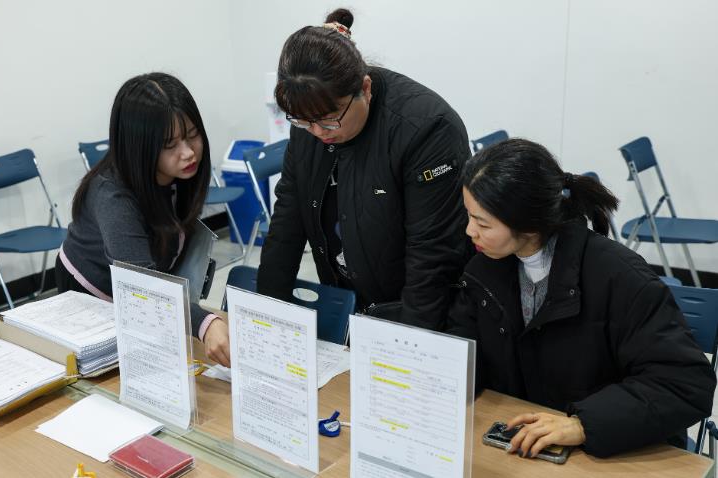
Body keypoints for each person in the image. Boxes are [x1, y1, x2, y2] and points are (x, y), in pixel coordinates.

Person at [202, 8, 471, 359]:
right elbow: (287, 224)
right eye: (303, 122)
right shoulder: (312, 119)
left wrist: (406, 355)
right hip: (348, 301)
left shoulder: (426, 129)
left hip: (418, 314)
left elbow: (431, 260)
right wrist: (265, 322)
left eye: (329, 121)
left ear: (365, 89)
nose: (318, 132)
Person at [445, 138, 715, 458]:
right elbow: (463, 353)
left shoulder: (618, 276)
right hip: (522, 447)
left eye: (482, 223)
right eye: (468, 215)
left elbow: (684, 383)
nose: (469, 231)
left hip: (607, 451)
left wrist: (583, 424)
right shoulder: (483, 271)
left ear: (528, 225)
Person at [56, 72, 227, 361]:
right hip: (92, 292)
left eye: (192, 135)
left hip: (145, 281)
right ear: (139, 146)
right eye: (169, 145)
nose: (188, 153)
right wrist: (204, 323)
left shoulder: (180, 174)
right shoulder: (112, 195)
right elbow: (142, 284)